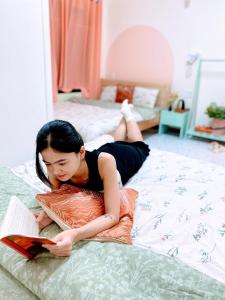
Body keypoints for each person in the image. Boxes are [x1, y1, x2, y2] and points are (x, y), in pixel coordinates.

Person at [35, 100, 150, 256]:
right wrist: (47, 214)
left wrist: (75, 234)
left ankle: (128, 115)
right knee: (115, 142)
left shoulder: (105, 162)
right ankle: (123, 115)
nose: (55, 171)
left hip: (121, 159)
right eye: (48, 163)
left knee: (138, 145)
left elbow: (112, 216)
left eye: (62, 162)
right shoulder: (55, 169)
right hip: (103, 151)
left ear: (81, 152)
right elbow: (58, 200)